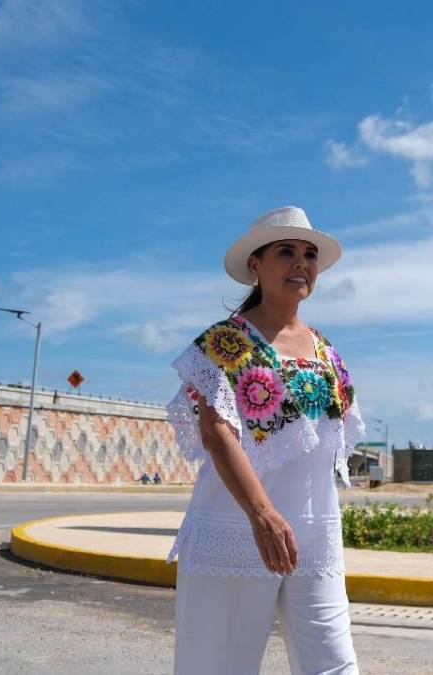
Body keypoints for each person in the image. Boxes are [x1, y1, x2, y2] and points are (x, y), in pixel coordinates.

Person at [166, 206, 363, 674]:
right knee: (216, 666)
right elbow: (217, 433)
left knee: (333, 664)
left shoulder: (325, 348)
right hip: (235, 527)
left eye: (309, 255)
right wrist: (262, 514)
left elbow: (333, 438)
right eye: (286, 251)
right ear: (255, 265)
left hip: (315, 531)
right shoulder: (224, 342)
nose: (301, 263)